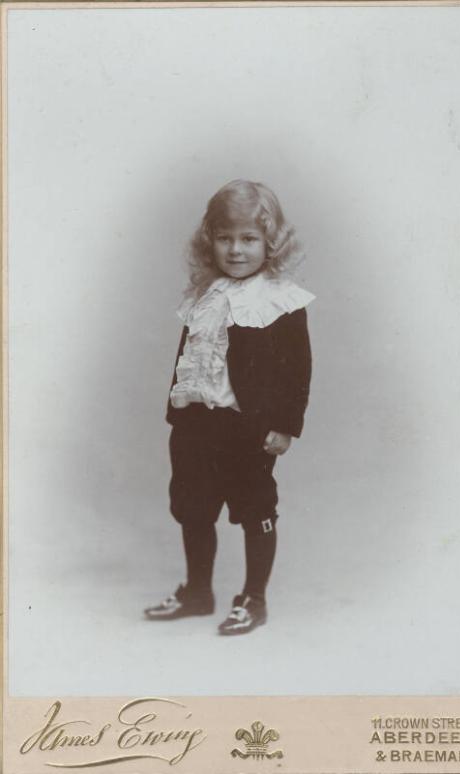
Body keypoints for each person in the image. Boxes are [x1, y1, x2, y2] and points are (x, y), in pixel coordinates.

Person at [144, 179, 314, 635]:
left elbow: (298, 370)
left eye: (249, 239)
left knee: (254, 506)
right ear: (210, 241)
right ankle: (198, 591)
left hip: (248, 429)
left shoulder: (280, 300)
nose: (236, 250)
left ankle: (253, 597)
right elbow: (190, 357)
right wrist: (176, 414)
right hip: (196, 423)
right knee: (193, 507)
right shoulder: (204, 296)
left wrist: (285, 425)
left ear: (270, 243)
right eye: (225, 238)